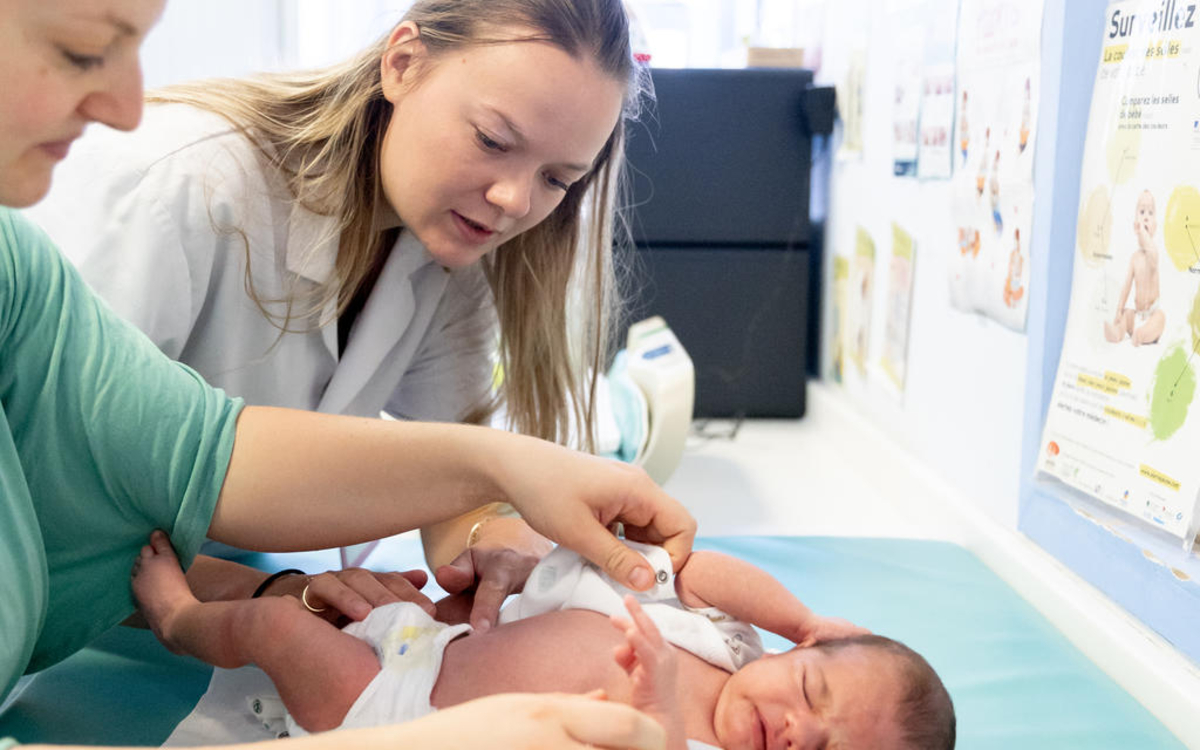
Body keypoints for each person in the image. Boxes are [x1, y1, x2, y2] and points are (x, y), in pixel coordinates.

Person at [0, 0, 694, 747]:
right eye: (493, 140)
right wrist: (262, 599)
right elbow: (72, 506)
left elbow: (209, 450)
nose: (515, 200)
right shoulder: (177, 187)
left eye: (559, 180)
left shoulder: (446, 242)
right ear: (401, 62)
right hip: (92, 624)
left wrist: (498, 538)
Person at [129, 532, 956, 750]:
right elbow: (695, 569)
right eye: (813, 692)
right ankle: (193, 604)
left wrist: (663, 709)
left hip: (395, 715)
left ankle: (179, 621)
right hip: (429, 641)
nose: (800, 732)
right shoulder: (733, 645)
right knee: (308, 600)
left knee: (278, 629)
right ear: (795, 656)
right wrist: (799, 617)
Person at [1105, 190, 1166, 346]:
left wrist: (1143, 233)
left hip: (1152, 315)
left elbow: (1150, 248)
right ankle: (1117, 333)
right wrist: (1119, 310)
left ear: (1155, 227)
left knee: (1161, 318)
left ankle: (1141, 334)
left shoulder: (1153, 254)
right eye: (1142, 211)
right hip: (1137, 314)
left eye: (1150, 213)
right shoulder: (1134, 258)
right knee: (1126, 315)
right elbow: (1126, 287)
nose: (1146, 216)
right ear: (1134, 226)